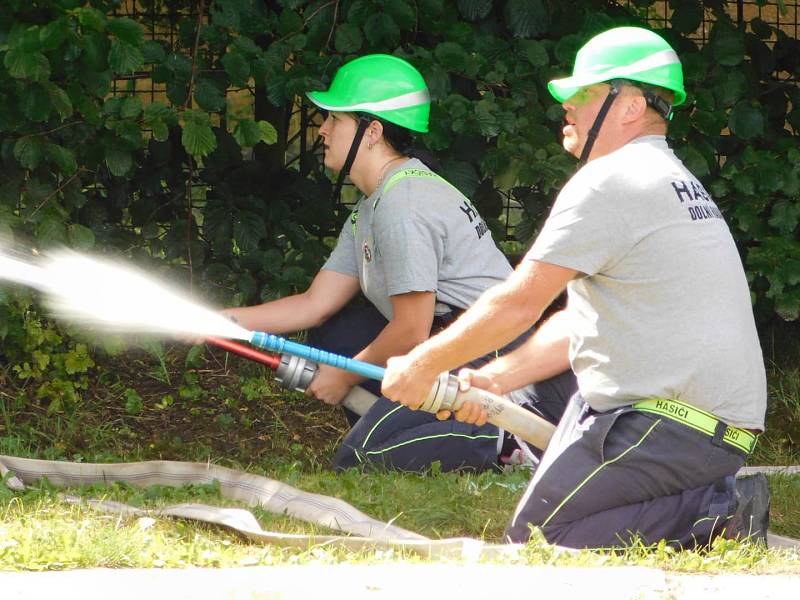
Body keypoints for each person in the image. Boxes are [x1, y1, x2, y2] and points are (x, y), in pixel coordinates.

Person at [382, 27, 769, 548]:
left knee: (542, 536)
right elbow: (577, 322)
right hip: (695, 426)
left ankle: (720, 512)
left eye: (582, 93)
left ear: (629, 105)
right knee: (552, 519)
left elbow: (520, 303)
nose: (565, 104)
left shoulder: (611, 180)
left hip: (669, 425)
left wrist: (422, 364)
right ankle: (702, 499)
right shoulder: (667, 175)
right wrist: (493, 380)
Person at [226, 53, 575, 473]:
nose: (322, 129)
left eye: (335, 119)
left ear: (371, 132)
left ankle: (504, 440)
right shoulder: (376, 206)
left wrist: (345, 377)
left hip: (480, 359)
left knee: (360, 460)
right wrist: (225, 320)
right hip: (443, 344)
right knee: (336, 331)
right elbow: (314, 304)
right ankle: (405, 426)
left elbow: (411, 328)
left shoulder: (403, 204)